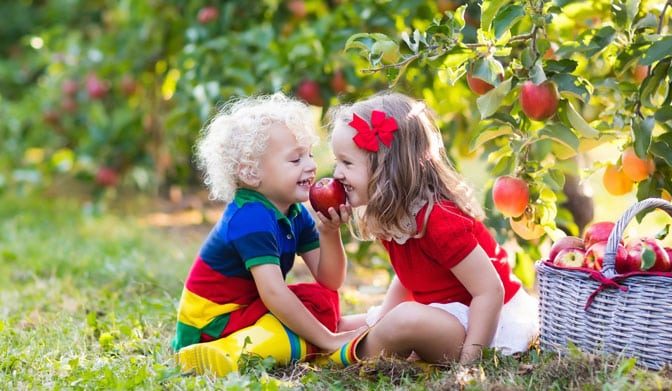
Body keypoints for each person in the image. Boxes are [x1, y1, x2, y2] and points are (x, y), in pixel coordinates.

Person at [325, 92, 539, 366]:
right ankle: (318, 339)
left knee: (405, 320)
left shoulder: (439, 219)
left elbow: (489, 291)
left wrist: (470, 364)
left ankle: (339, 355)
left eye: (347, 162)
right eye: (337, 162)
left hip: (485, 326)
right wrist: (380, 319)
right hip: (446, 314)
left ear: (386, 167)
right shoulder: (394, 213)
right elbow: (409, 275)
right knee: (347, 322)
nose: (337, 173)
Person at [172, 93, 362, 376]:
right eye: (296, 159)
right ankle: (229, 354)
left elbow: (330, 280)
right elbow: (274, 292)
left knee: (321, 299)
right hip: (212, 324)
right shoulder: (250, 217)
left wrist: (329, 232)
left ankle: (296, 343)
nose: (310, 165)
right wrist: (328, 339)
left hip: (249, 311)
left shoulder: (294, 213)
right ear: (251, 172)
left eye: (309, 154)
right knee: (302, 315)